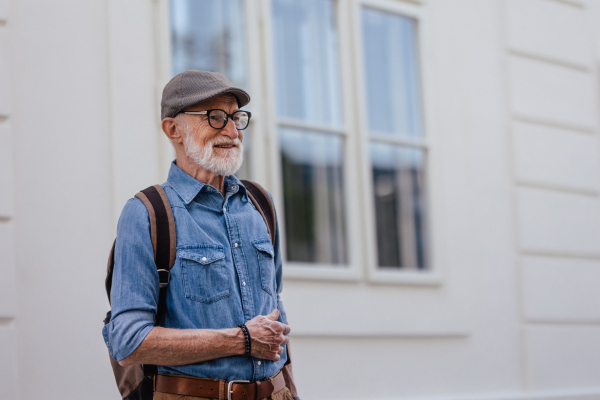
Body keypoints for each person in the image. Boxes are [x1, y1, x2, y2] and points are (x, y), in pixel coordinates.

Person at [102, 70, 295, 400]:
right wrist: (241, 340)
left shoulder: (261, 204)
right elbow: (127, 341)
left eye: (236, 117)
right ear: (173, 129)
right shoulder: (146, 213)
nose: (233, 131)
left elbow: (276, 318)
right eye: (216, 117)